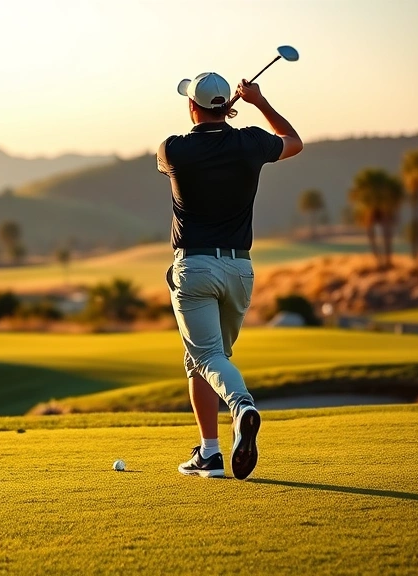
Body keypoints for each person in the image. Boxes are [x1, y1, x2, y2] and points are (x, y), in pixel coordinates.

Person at [157, 72, 303, 480]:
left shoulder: (174, 150)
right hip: (240, 268)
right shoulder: (252, 142)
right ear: (227, 107)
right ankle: (209, 454)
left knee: (206, 358)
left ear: (192, 107)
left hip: (195, 267)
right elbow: (294, 142)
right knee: (204, 359)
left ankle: (241, 406)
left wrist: (224, 114)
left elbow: (192, 150)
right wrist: (258, 102)